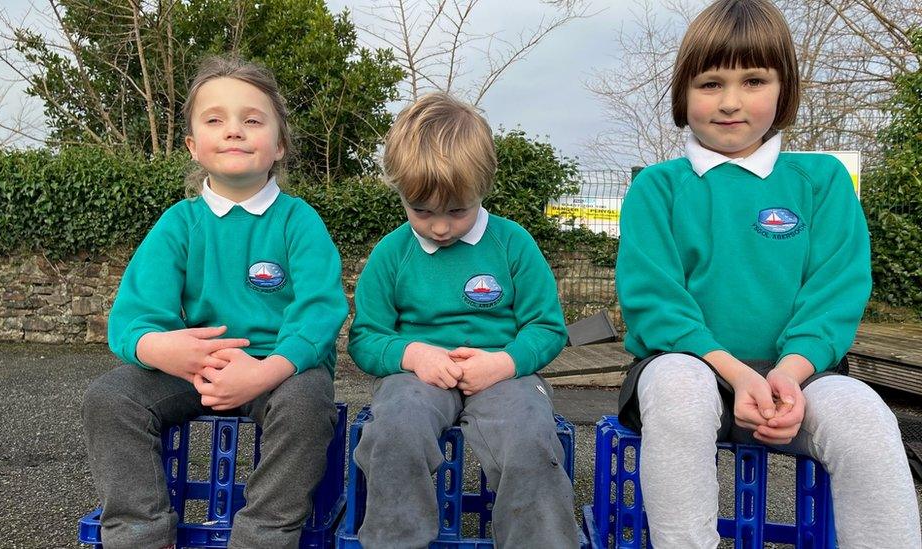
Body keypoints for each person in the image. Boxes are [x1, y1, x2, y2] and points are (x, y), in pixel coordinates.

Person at [614, 0, 922, 547]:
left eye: (753, 79)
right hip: (689, 367)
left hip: (797, 380)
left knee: (866, 415)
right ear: (683, 94)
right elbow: (655, 300)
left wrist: (788, 374)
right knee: (680, 389)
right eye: (710, 83)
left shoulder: (821, 179)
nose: (731, 101)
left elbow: (834, 294)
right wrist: (735, 374)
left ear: (785, 89)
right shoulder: (657, 187)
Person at [81, 55, 348, 549]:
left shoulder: (298, 221)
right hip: (194, 369)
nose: (234, 131)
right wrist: (162, 350)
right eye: (215, 120)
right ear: (193, 146)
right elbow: (132, 316)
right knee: (110, 398)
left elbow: (321, 309)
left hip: (279, 371)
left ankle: (263, 534)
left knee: (309, 404)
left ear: (279, 144)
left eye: (252, 120)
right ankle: (139, 534)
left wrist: (268, 370)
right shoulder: (180, 223)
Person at [347, 92, 578, 548]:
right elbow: (366, 337)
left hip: (504, 376)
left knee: (531, 437)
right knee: (394, 430)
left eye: (456, 211)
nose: (439, 227)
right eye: (421, 211)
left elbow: (547, 327)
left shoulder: (512, 243)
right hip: (418, 378)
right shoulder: (392, 253)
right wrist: (412, 354)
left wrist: (504, 362)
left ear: (482, 187)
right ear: (399, 192)